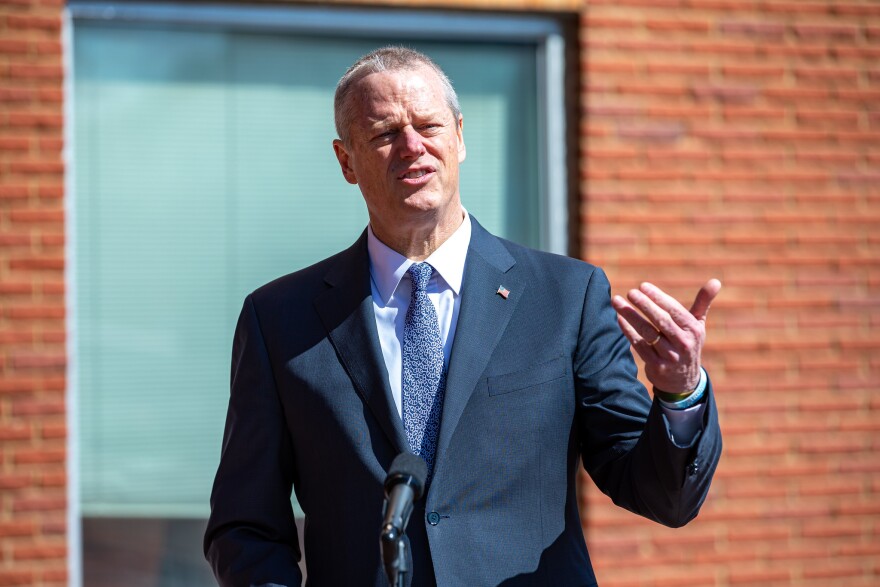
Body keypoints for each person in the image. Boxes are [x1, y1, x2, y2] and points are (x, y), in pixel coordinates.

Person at [204, 46, 723, 587]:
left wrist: (680, 394)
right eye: (384, 133)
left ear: (459, 136)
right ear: (346, 161)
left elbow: (663, 496)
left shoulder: (566, 297)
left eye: (428, 125)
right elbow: (245, 526)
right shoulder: (280, 320)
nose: (412, 147)